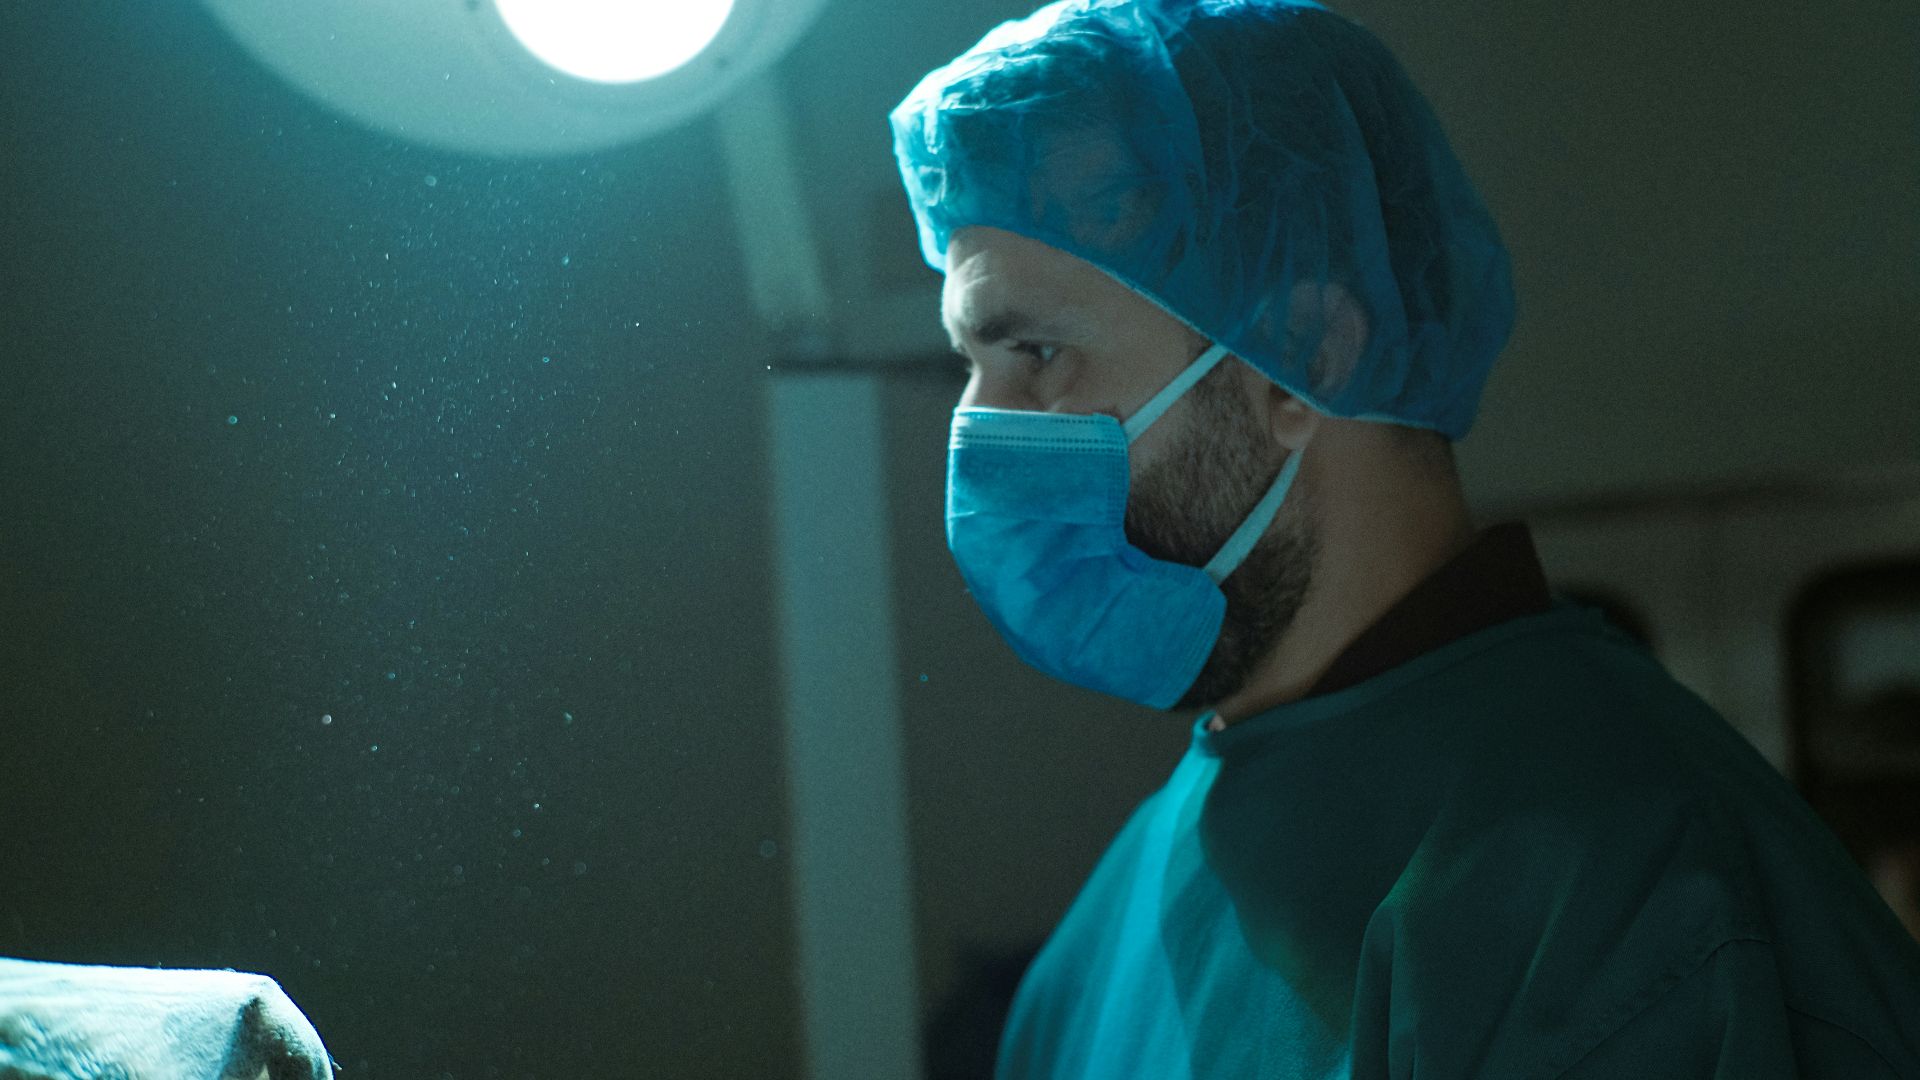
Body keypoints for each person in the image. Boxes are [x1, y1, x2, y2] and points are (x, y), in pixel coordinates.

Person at [887, 0, 1920, 1076]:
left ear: (1307, 354)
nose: (984, 435)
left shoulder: (1618, 891)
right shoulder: (1113, 931)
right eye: (974, 367)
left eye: (1041, 355)